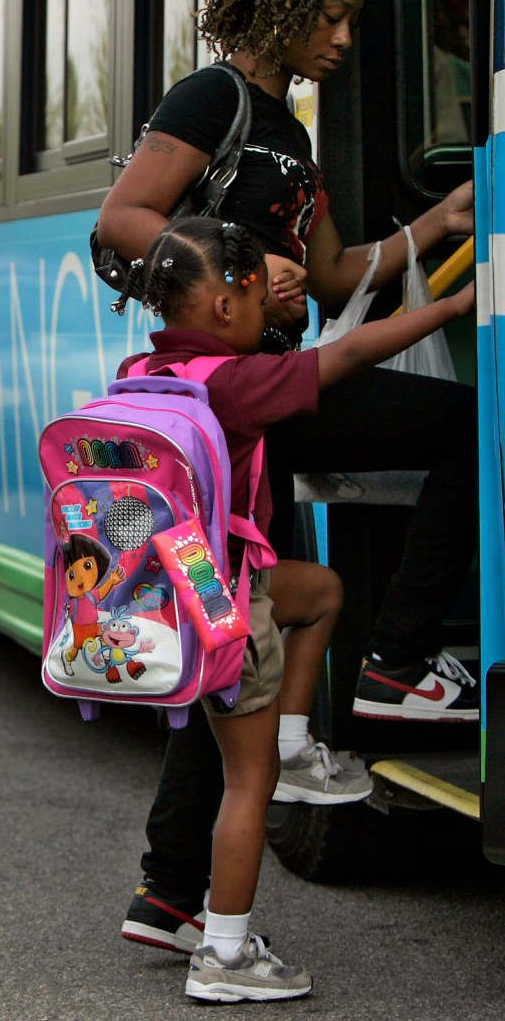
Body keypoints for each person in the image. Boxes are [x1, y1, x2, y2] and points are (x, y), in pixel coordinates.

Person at [95, 0, 478, 953]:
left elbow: (337, 270)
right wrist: (237, 266)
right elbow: (124, 219)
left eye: (354, 18)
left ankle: (169, 897)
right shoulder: (210, 100)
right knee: (460, 431)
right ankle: (397, 661)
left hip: (264, 407)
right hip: (231, 402)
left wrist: (437, 223)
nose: (345, 37)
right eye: (333, 14)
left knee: (233, 639)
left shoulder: (291, 135)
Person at [120, 215, 474, 1002]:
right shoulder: (238, 381)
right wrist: (455, 307)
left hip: (183, 589)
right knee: (248, 786)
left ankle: (289, 742)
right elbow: (346, 356)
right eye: (258, 299)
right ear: (224, 307)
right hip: (228, 603)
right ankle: (226, 955)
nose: (271, 312)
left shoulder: (140, 372)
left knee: (320, 591)